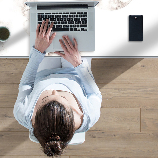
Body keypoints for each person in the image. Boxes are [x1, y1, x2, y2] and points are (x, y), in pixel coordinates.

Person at [13, 19, 102, 156]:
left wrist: (38, 52)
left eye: (46, 98)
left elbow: (26, 84)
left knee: (43, 35)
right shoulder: (89, 116)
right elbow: (94, 94)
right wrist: (78, 63)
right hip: (76, 72)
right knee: (80, 30)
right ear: (73, 114)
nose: (54, 90)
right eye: (62, 97)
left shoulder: (23, 114)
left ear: (36, 116)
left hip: (43, 73)